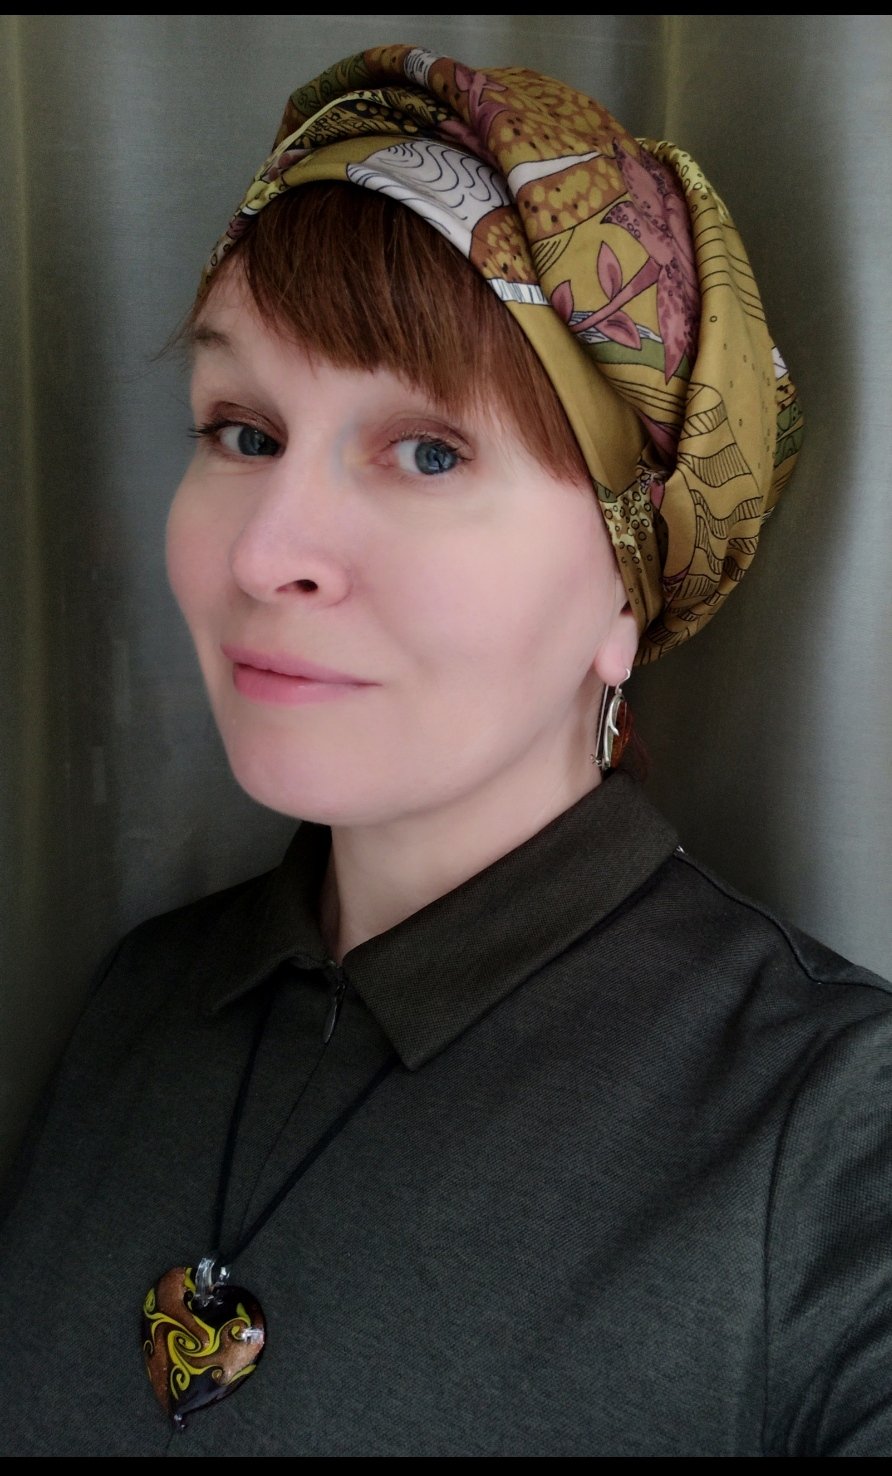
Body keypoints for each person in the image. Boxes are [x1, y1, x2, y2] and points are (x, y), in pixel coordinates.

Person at [1, 42, 890, 1458]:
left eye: (428, 453)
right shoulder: (140, 1007)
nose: (269, 553)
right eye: (242, 431)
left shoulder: (832, 1130)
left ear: (628, 581)